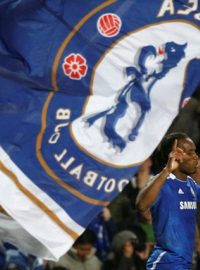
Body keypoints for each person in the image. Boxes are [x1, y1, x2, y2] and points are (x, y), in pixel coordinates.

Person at [136, 132, 199, 270]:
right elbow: (141, 205)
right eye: (190, 153)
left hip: (186, 263)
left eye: (195, 152)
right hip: (165, 263)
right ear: (175, 156)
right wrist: (167, 170)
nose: (196, 157)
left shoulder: (191, 184)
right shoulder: (162, 182)